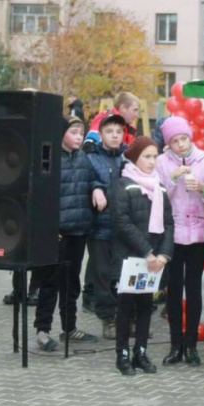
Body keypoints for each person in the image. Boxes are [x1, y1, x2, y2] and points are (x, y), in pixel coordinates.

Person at [155, 117, 204, 366]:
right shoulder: (161, 163)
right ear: (168, 143)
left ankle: (191, 345)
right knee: (172, 290)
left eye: (183, 139)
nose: (180, 145)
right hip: (172, 233)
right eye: (174, 141)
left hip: (198, 233)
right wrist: (171, 179)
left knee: (193, 290)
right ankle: (175, 345)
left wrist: (203, 189)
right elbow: (156, 196)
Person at [110, 136, 174, 375]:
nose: (151, 161)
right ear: (135, 158)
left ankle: (141, 353)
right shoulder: (123, 184)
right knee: (125, 307)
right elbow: (121, 222)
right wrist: (146, 252)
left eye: (154, 156)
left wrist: (164, 254)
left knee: (146, 305)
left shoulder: (160, 186)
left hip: (154, 260)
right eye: (146, 156)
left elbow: (168, 223)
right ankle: (122, 354)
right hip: (131, 257)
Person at [34, 117, 99, 351]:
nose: (79, 136)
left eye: (82, 132)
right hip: (58, 233)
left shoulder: (84, 159)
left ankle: (69, 328)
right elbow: (42, 197)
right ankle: (42, 329)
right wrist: (50, 228)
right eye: (74, 132)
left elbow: (93, 181)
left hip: (79, 231)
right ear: (61, 134)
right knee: (50, 282)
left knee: (72, 282)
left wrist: (98, 189)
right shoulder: (50, 160)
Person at [85, 114, 128, 339]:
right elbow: (87, 179)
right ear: (101, 134)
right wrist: (96, 187)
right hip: (100, 227)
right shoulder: (91, 158)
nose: (114, 136)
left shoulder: (128, 158)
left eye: (118, 132)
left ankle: (124, 317)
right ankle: (108, 319)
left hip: (124, 228)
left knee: (122, 274)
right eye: (110, 131)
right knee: (102, 274)